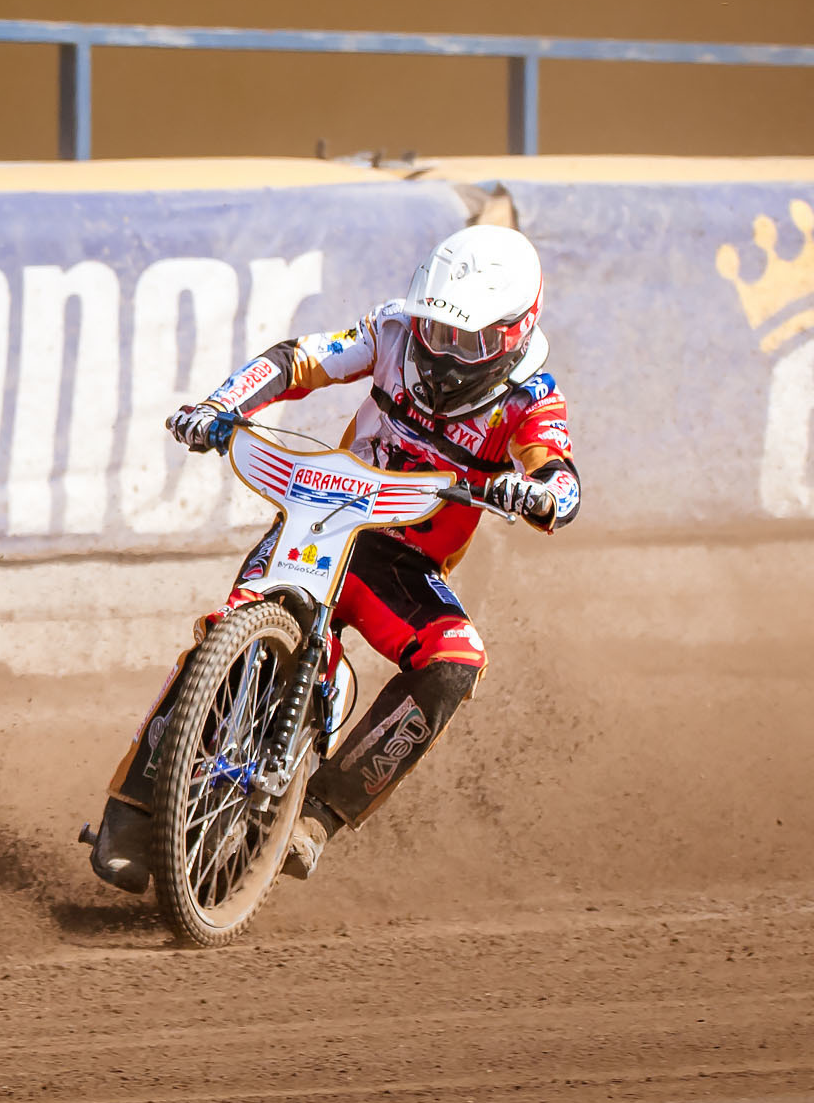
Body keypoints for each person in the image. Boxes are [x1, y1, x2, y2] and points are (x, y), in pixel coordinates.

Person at [88, 223, 580, 892]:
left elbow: (558, 472)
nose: (442, 352)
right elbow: (300, 360)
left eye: (466, 341)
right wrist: (221, 405)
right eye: (436, 331)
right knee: (226, 633)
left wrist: (542, 492)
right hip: (318, 517)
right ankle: (130, 810)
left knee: (456, 659)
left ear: (514, 333)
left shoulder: (531, 398)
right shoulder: (393, 332)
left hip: (399, 562)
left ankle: (318, 814)